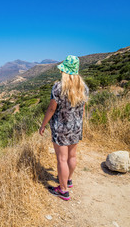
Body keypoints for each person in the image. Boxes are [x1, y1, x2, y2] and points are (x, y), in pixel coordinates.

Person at [39, 55, 89, 201]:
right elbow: (83, 109)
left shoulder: (58, 87)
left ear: (65, 71)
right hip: (76, 126)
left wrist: (43, 125)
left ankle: (63, 190)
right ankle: (68, 180)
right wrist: (80, 124)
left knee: (62, 159)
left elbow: (51, 109)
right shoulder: (83, 87)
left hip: (61, 128)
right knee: (72, 156)